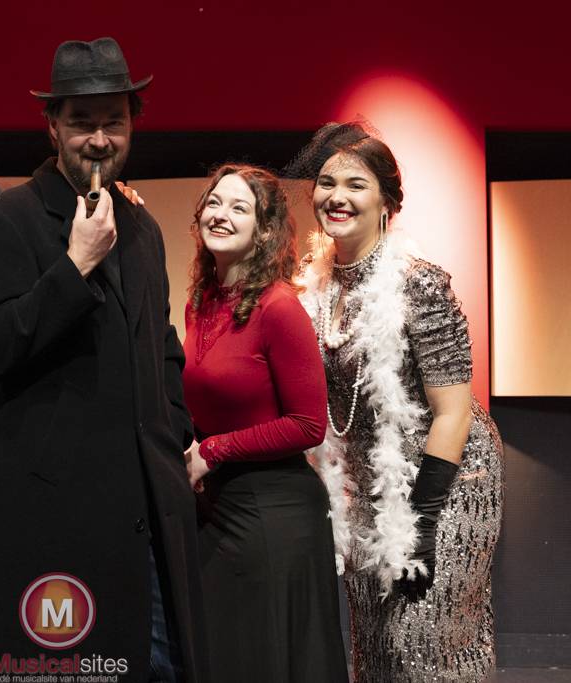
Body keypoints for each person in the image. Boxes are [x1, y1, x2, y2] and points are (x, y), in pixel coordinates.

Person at [0, 37, 207, 683]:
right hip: (56, 518)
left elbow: (161, 342)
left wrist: (173, 432)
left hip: (147, 511)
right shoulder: (5, 220)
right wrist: (76, 264)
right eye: (82, 123)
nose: (99, 139)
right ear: (53, 126)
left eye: (114, 122)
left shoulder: (142, 226)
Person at [291, 122, 504, 681]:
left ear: (387, 201)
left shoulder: (420, 283)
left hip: (446, 485)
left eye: (356, 184)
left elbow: (453, 411)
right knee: (378, 650)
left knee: (423, 644)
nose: (337, 196)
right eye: (327, 182)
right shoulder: (314, 288)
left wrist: (423, 523)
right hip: (369, 487)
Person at [182, 164, 348, 682]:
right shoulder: (200, 302)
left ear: (264, 229)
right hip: (218, 510)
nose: (221, 215)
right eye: (214, 202)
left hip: (274, 516)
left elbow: (307, 425)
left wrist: (213, 451)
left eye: (239, 208)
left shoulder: (279, 308)